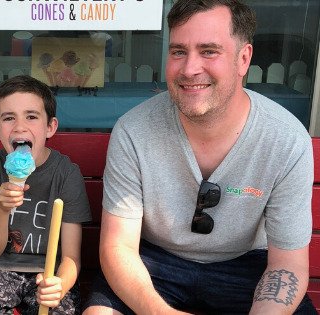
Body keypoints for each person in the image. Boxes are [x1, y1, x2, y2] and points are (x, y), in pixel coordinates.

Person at [82, 0, 317, 314]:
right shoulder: (134, 131)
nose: (190, 68)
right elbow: (118, 247)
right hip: (153, 262)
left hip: (248, 265)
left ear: (243, 59)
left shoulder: (286, 140)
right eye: (179, 51)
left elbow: (287, 264)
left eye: (209, 51)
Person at [0, 75, 91, 315]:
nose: (20, 126)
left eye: (31, 117)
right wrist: (3, 208)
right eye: (9, 118)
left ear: (50, 127)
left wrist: (60, 285)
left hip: (49, 272)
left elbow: (72, 256)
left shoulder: (66, 173)